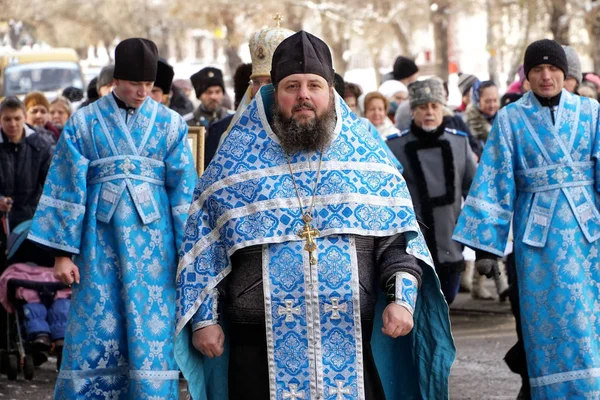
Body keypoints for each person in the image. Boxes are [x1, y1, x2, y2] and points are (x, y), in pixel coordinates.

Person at [175, 30, 454, 400]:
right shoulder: (235, 160)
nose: (304, 95)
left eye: (314, 85)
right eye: (292, 86)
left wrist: (402, 299)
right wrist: (205, 320)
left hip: (351, 337)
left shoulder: (366, 157)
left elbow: (397, 242)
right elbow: (206, 250)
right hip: (257, 341)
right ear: (276, 93)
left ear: (331, 93)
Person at [27, 38, 197, 398]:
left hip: (156, 252)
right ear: (116, 79)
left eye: (149, 86)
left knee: (151, 335)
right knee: (95, 330)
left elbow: (184, 194)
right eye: (135, 84)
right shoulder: (84, 122)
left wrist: (189, 253)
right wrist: (61, 254)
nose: (142, 92)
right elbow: (66, 186)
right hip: (97, 247)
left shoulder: (170, 125)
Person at [453, 39, 600, 400]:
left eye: (553, 69)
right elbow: (494, 180)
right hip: (538, 242)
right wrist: (484, 245)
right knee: (546, 323)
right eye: (537, 69)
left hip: (589, 237)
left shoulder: (591, 112)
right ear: (527, 77)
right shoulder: (510, 118)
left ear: (564, 73)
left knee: (589, 319)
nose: (546, 76)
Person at [387, 79, 477, 305]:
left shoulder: (459, 143)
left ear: (442, 109)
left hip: (450, 242)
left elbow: (475, 194)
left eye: (434, 106)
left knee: (446, 303)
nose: (429, 112)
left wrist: (474, 240)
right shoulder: (394, 147)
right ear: (413, 110)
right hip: (410, 246)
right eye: (422, 107)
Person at [0, 96, 56, 348]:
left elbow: (55, 184)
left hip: (32, 222)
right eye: (7, 119)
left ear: (24, 118)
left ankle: (36, 331)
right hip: (3, 221)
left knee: (33, 276)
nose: (12, 124)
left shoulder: (41, 145)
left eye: (17, 119)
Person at [205, 23, 295, 167]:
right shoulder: (230, 133)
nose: (260, 90)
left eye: (269, 82)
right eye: (256, 82)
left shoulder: (303, 129)